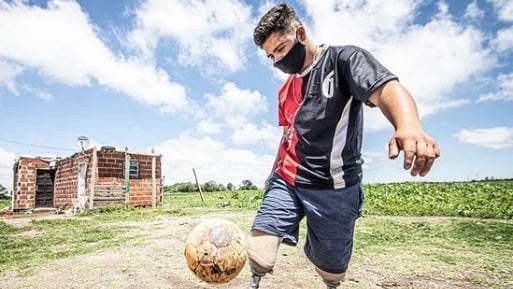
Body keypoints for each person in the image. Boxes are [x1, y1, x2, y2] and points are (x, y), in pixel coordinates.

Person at [247, 3, 440, 289]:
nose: (277, 60)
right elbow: (287, 134)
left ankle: (331, 280)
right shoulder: (285, 90)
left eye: (281, 49)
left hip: (335, 187)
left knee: (332, 270)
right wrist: (272, 172)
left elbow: (386, 87)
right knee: (260, 251)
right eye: (271, 56)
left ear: (300, 33)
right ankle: (254, 281)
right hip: (288, 178)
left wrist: (408, 124)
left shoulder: (343, 60)